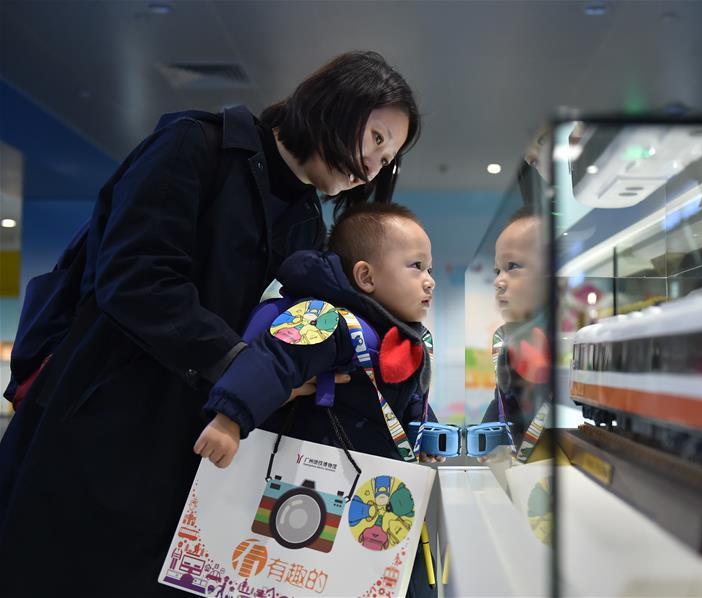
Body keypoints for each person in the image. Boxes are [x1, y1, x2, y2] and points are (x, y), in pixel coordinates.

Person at [0, 50, 420, 597]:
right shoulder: (195, 145)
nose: (375, 165)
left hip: (195, 440)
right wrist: (244, 367)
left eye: (390, 155)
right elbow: (136, 279)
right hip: (104, 419)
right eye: (377, 138)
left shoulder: (304, 219)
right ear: (332, 106)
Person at [193, 202, 443, 469]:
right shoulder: (325, 317)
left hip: (363, 477)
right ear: (366, 276)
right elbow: (272, 359)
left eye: (430, 269)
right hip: (307, 471)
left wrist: (425, 429)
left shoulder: (397, 336)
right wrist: (229, 420)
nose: (429, 280)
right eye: (416, 266)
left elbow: (407, 398)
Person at [480, 207, 551, 454]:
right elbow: (504, 400)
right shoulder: (511, 339)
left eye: (513, 266)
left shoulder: (564, 338)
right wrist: (487, 440)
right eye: (497, 270)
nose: (498, 281)